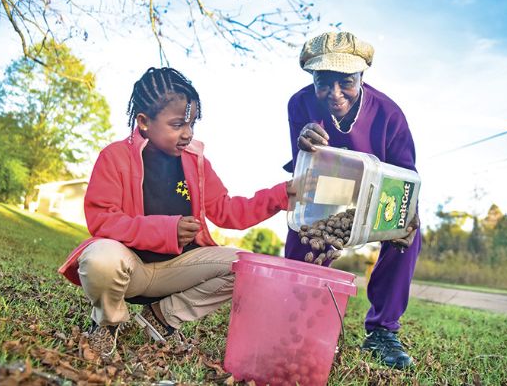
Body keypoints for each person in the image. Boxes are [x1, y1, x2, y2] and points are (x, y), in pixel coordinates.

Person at [58, 66, 294, 359]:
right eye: (177, 124)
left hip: (178, 270)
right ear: (144, 122)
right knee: (99, 258)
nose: (188, 133)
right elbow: (102, 220)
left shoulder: (196, 163)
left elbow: (228, 211)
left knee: (247, 267)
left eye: (192, 124)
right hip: (130, 267)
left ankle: (162, 316)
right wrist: (166, 230)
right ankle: (106, 323)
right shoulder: (115, 157)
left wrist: (281, 195)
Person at [283, 31, 421, 369]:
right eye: (323, 83)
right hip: (328, 190)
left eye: (346, 82)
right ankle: (300, 320)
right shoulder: (300, 103)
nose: (334, 94)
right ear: (312, 80)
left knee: (410, 233)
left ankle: (382, 332)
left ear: (361, 76)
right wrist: (304, 141)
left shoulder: (389, 114)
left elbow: (406, 176)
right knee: (305, 229)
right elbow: (303, 173)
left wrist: (405, 216)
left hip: (377, 196)